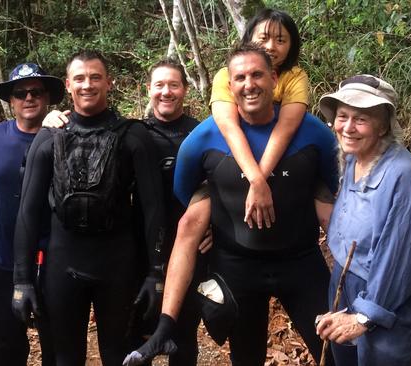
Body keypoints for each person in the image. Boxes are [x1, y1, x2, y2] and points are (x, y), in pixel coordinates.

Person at [125, 44, 337, 366]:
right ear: (229, 84)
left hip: (301, 262)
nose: (249, 84)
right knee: (245, 358)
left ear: (274, 78)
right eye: (240, 77)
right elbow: (186, 196)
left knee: (335, 351)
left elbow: (335, 192)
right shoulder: (204, 138)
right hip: (238, 266)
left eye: (257, 74)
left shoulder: (313, 133)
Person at [11, 50, 166, 366]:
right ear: (68, 85)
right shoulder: (49, 137)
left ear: (109, 83)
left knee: (121, 356)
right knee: (65, 357)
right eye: (80, 78)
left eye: (96, 77)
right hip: (63, 263)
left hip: (119, 264)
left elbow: (153, 208)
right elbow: (27, 211)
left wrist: (155, 272)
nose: (87, 85)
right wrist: (22, 280)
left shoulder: (133, 136)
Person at [315, 75, 411, 366]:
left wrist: (365, 315)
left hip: (389, 295)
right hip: (347, 282)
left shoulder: (404, 176)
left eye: (361, 119)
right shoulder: (355, 159)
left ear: (383, 125)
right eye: (342, 116)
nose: (347, 127)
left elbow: (399, 258)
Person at [0, 63, 64, 365]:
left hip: (56, 259)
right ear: (11, 101)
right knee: (5, 344)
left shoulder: (66, 134)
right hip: (5, 259)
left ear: (47, 98)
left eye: (36, 92)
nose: (28, 98)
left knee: (58, 349)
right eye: (20, 93)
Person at [130, 58, 210, 365]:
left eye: (174, 85)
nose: (167, 92)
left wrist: (213, 226)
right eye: (160, 85)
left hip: (191, 246)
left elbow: (220, 185)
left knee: (183, 334)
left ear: (185, 90)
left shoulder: (202, 133)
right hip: (141, 247)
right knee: (138, 331)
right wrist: (53, 118)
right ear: (148, 90)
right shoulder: (135, 133)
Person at [211, 8, 315, 228]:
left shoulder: (295, 76)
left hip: (283, 156)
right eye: (264, 38)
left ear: (291, 45)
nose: (271, 46)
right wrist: (257, 180)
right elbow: (229, 126)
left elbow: (286, 127)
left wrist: (259, 180)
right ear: (249, 38)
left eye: (280, 40)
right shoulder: (226, 75)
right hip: (233, 154)